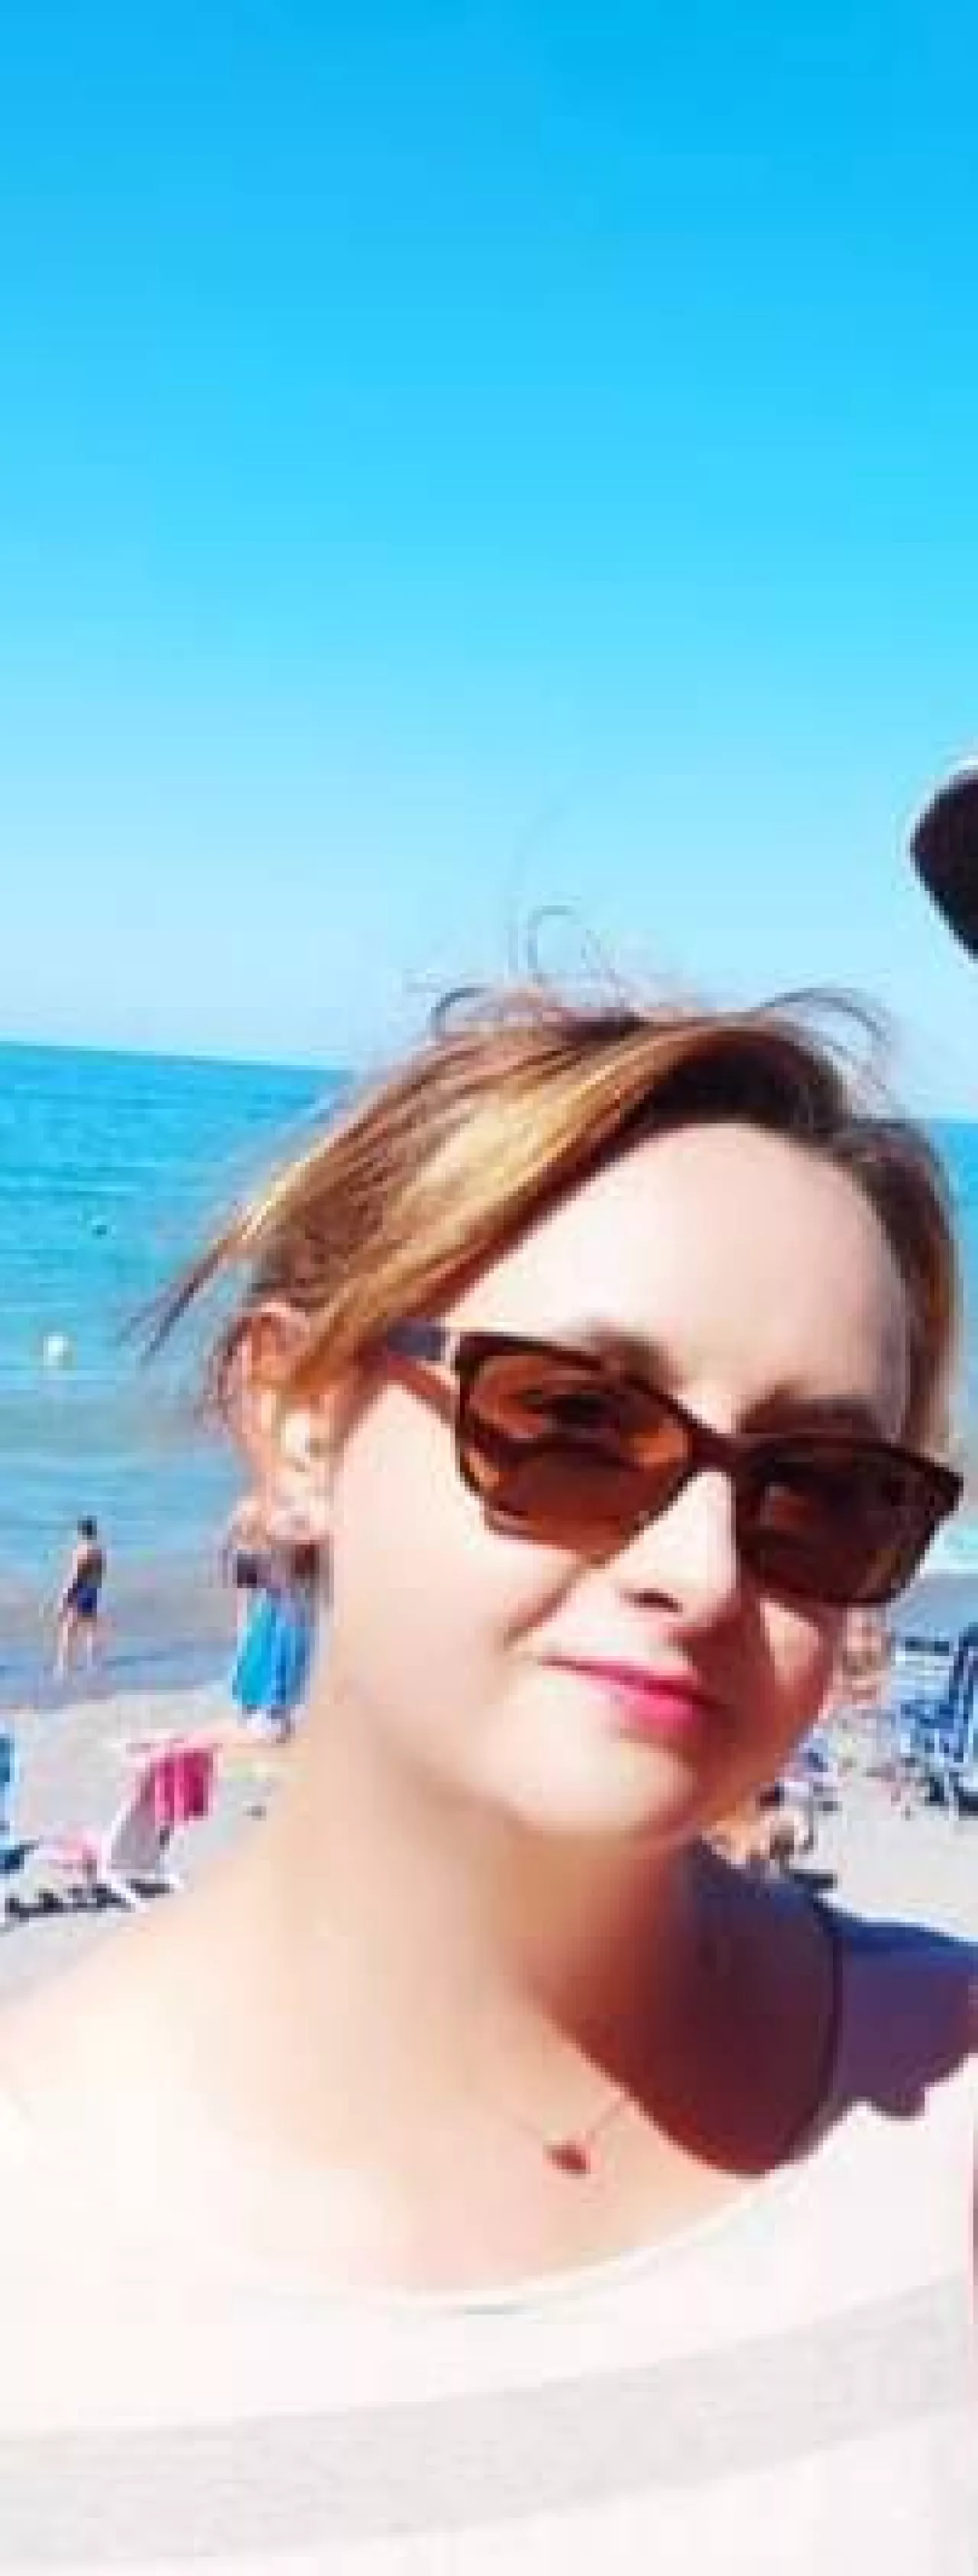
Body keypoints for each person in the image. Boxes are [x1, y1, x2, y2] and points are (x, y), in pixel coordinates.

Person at [0, 980, 974, 2570]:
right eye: (573, 1418)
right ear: (298, 1419)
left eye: (820, 1489)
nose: (698, 1569)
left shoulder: (948, 2116)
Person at [52, 1512, 105, 1680]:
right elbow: (101, 1574)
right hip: (93, 1591)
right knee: (90, 1629)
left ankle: (63, 1666)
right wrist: (94, 1588)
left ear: (81, 1532)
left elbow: (74, 1576)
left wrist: (63, 1597)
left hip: (80, 1591)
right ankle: (92, 1664)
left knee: (68, 1629)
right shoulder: (99, 1551)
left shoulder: (81, 1551)